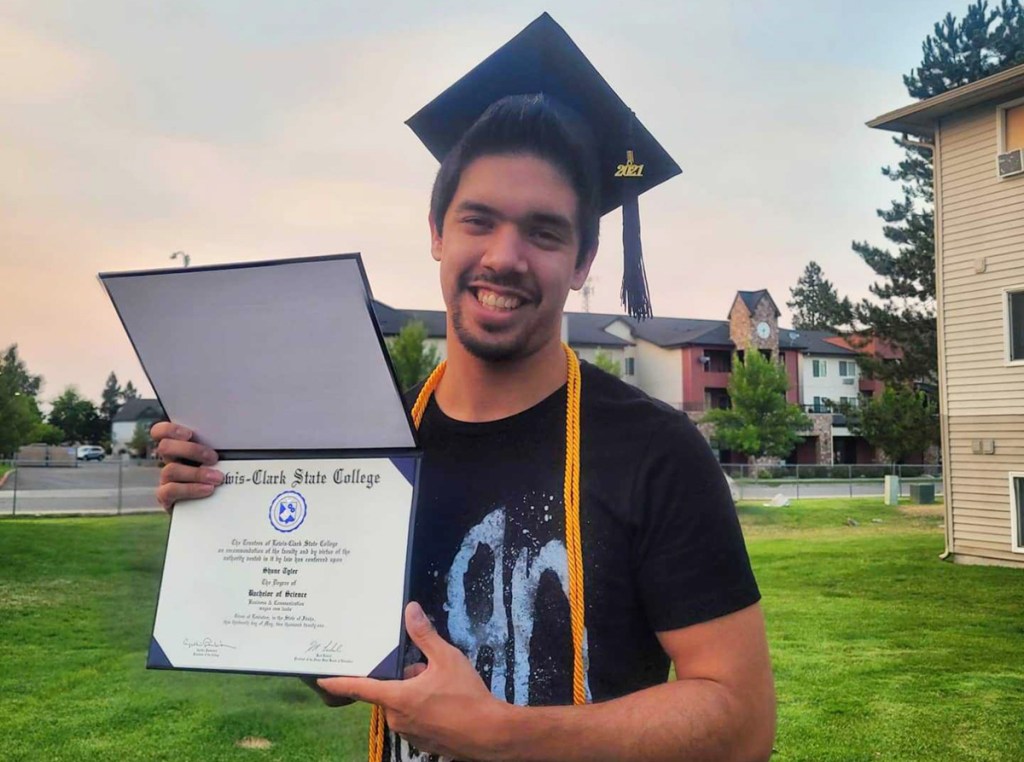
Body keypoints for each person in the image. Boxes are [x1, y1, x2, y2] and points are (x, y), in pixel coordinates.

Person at [152, 14, 775, 762]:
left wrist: (507, 738)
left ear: (582, 260)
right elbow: (341, 666)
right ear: (437, 233)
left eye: (544, 233)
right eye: (478, 221)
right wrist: (229, 521)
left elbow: (742, 723)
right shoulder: (373, 442)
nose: (504, 257)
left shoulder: (656, 451)